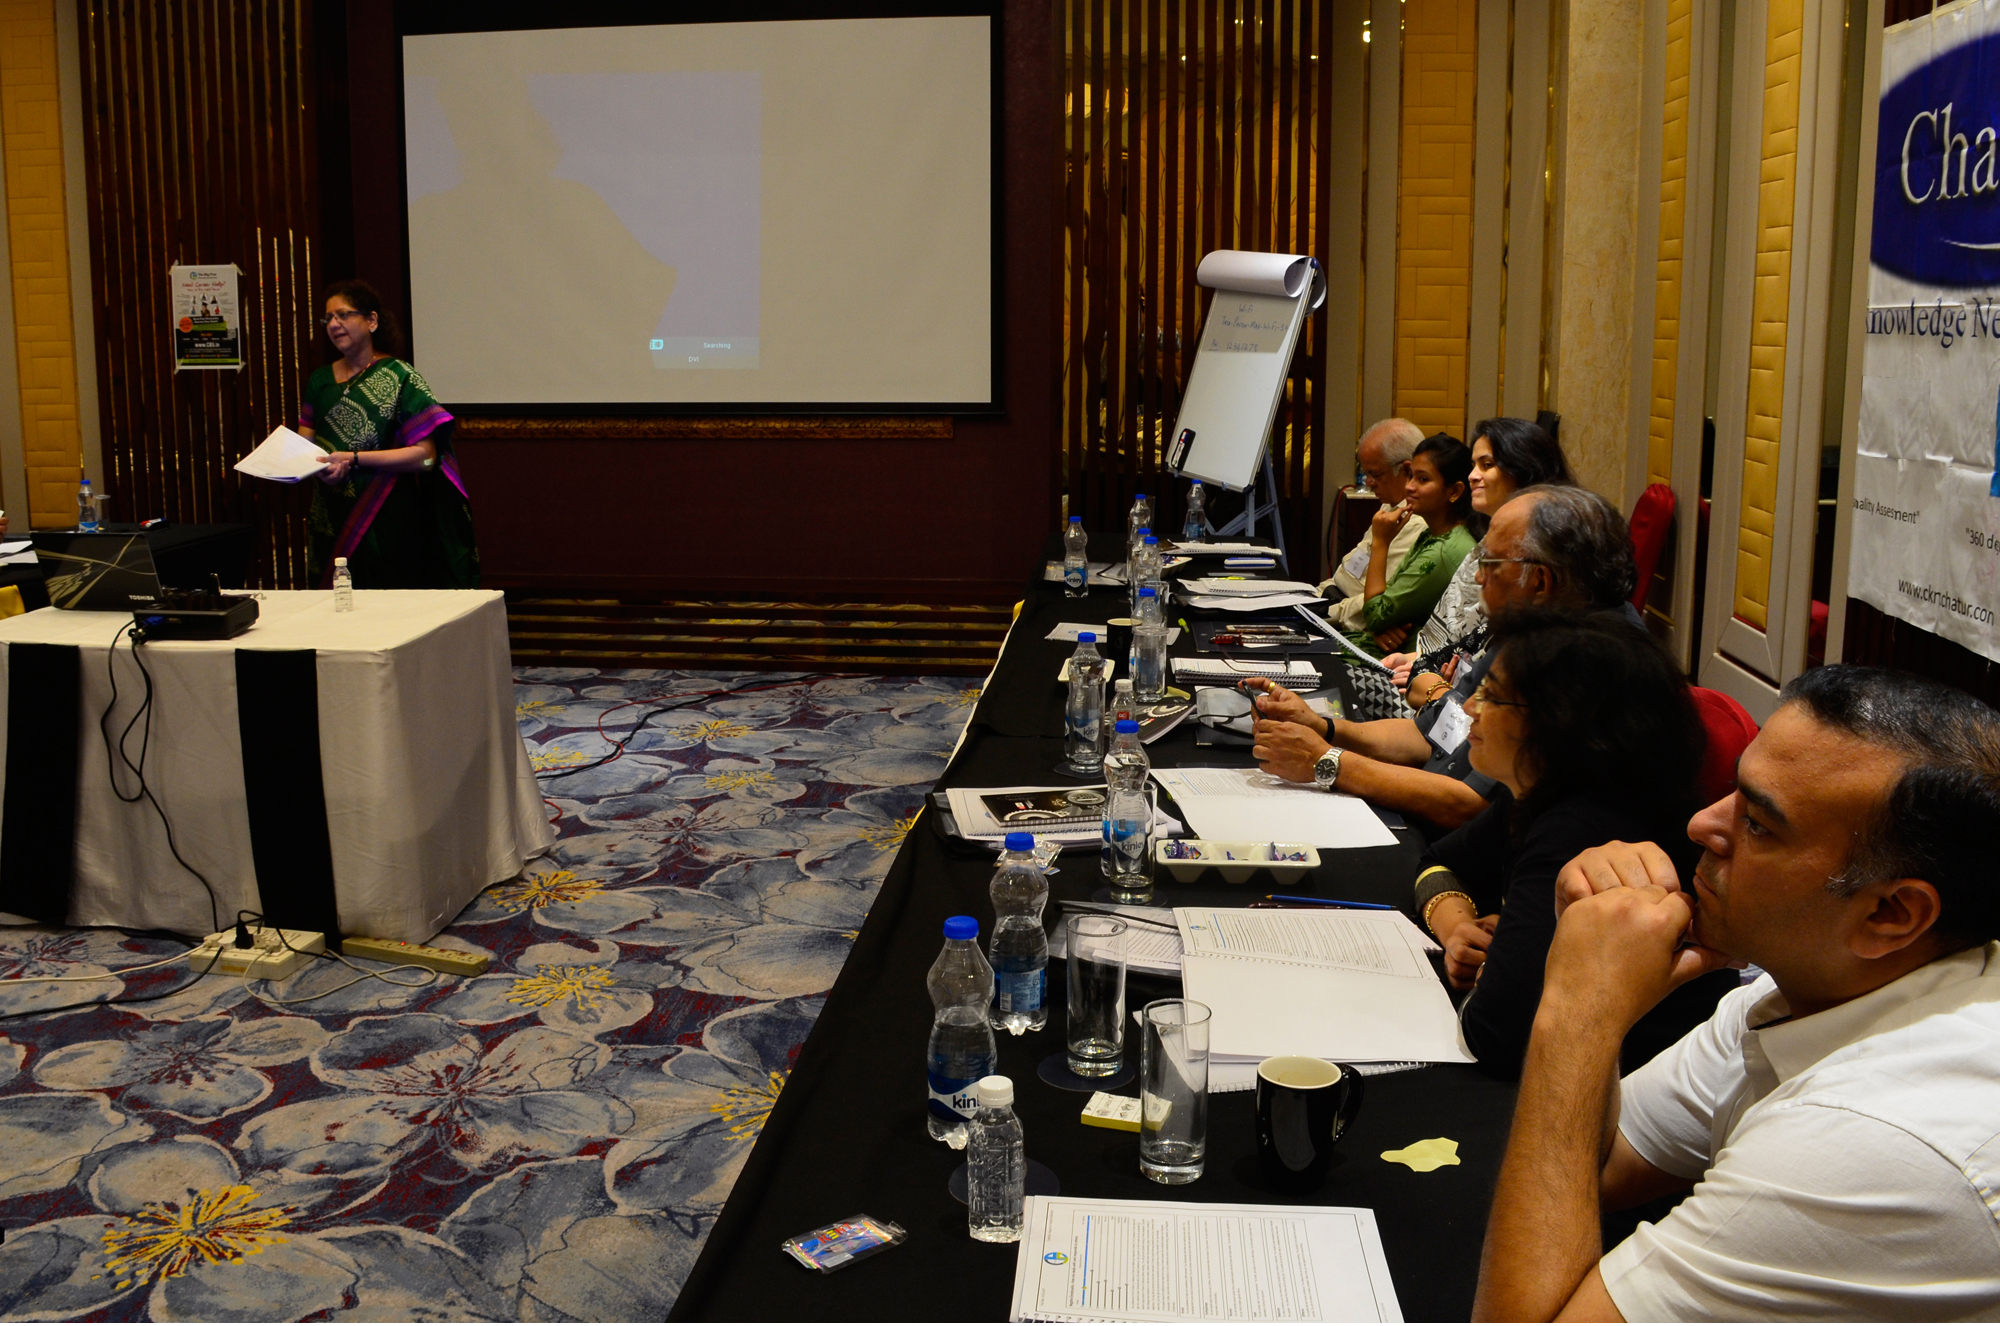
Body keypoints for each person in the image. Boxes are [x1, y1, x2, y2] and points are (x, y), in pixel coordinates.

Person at [1474, 665, 2000, 1321]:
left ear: (1890, 914)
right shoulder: (1810, 986)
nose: (1701, 823)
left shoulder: (1881, 1141)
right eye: (1732, 792)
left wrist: (1579, 1009)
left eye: (1758, 824)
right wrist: (1586, 984)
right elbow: (1596, 1166)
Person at [1411, 609, 1738, 1079]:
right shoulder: (1538, 792)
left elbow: (1495, 1038)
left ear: (1559, 723)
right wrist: (1457, 925)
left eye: (1493, 696)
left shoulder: (1580, 827)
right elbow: (1438, 862)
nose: (1469, 709)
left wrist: (1491, 975)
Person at [1248, 485, 1640, 837]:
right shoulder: (1531, 626)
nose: (1479, 579)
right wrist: (1323, 727)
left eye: (1490, 564)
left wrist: (1326, 762)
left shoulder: (1586, 665)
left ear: (1539, 581)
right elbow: (1429, 734)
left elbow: (1471, 807)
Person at [1351, 417, 1572, 720]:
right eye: (1473, 465)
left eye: (1486, 465)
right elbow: (1462, 641)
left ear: (1524, 470)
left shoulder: (1534, 556)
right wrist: (1417, 659)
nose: (1473, 476)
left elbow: (1483, 662)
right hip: (1433, 678)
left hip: (1461, 703)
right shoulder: (1480, 539)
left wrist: (1433, 682)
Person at [299, 280, 479, 589]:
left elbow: (425, 456)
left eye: (343, 314)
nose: (334, 324)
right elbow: (303, 445)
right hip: (331, 518)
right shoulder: (320, 381)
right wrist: (317, 468)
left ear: (371, 320)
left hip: (388, 517)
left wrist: (354, 459)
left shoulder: (400, 376)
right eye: (328, 318)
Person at [1344, 433, 1477, 657]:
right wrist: (1381, 627)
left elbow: (1375, 615)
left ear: (1454, 491)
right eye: (1410, 476)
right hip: (1388, 651)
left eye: (1422, 480)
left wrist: (1380, 542)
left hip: (1404, 663)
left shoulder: (1443, 550)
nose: (1409, 487)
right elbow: (1384, 607)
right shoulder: (1432, 533)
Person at [1319, 418, 1426, 634]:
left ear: (1406, 470)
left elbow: (1377, 606)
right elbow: (1345, 574)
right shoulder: (1390, 506)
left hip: (1346, 623)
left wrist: (1324, 608)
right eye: (1365, 472)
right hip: (1336, 606)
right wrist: (1319, 594)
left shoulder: (1418, 522)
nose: (1368, 482)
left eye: (1375, 474)